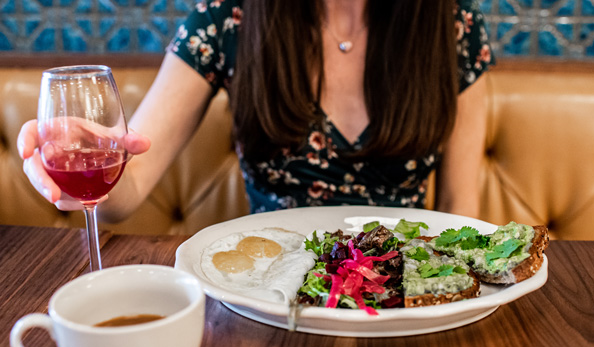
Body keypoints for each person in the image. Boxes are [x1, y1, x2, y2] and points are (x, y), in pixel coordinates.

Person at [18, 0, 494, 223]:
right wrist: (85, 156)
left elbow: (459, 208)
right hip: (270, 295)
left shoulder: (452, 22)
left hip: (405, 297)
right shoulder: (227, 18)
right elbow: (131, 185)